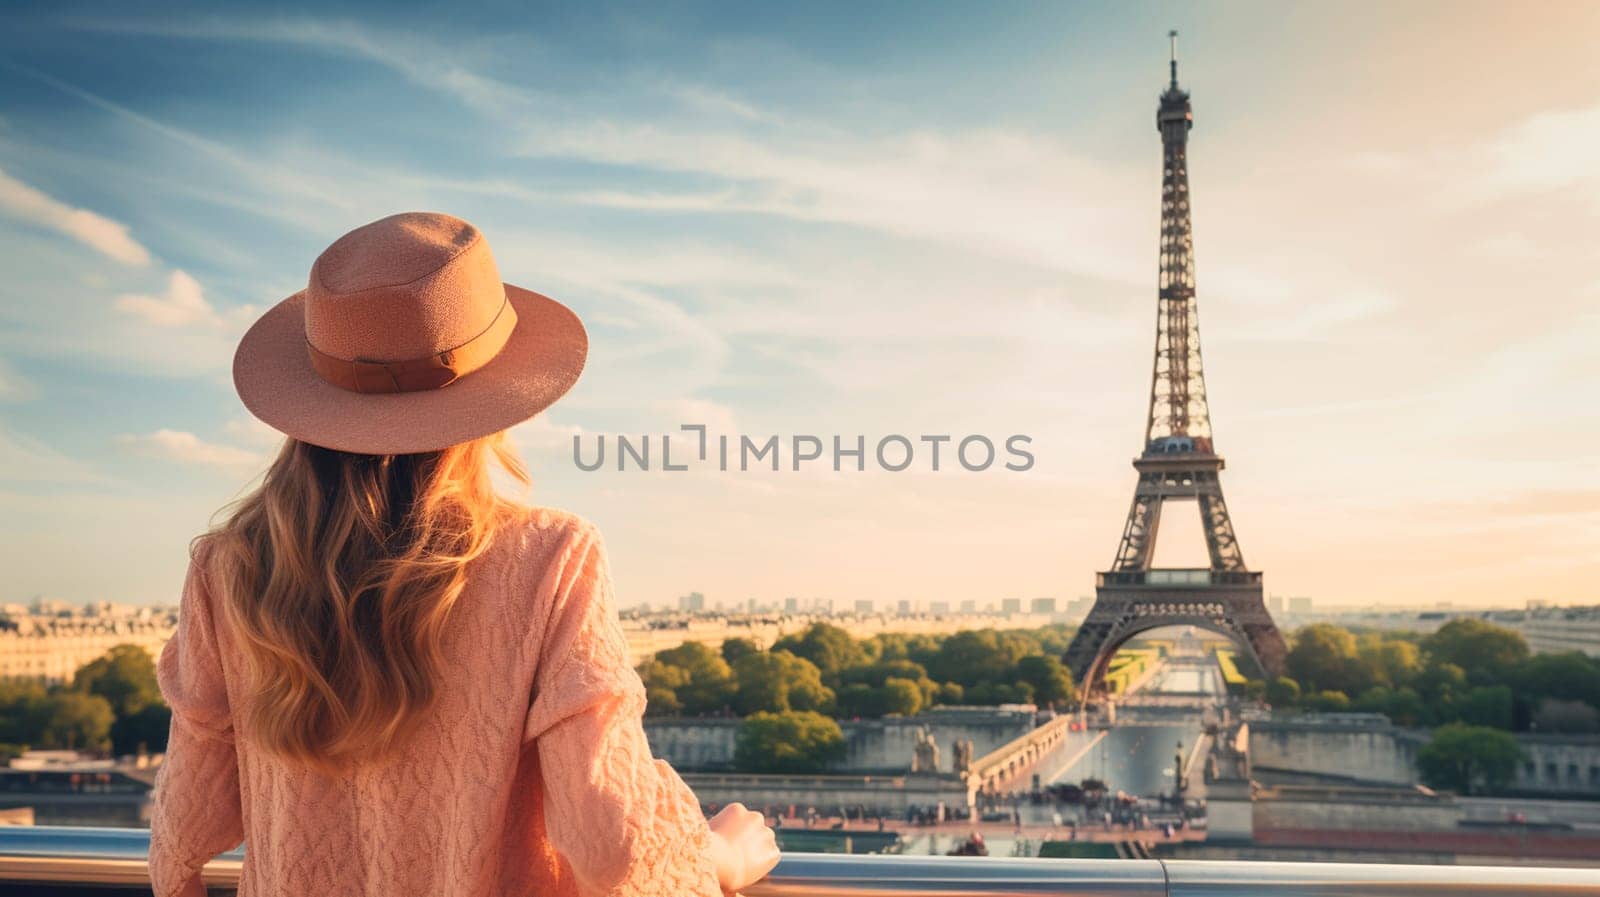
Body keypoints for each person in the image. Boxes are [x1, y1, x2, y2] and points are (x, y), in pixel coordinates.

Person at [147, 213, 780, 897]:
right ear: (495, 392)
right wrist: (718, 857)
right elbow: (612, 848)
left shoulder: (228, 569)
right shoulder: (549, 560)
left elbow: (181, 831)